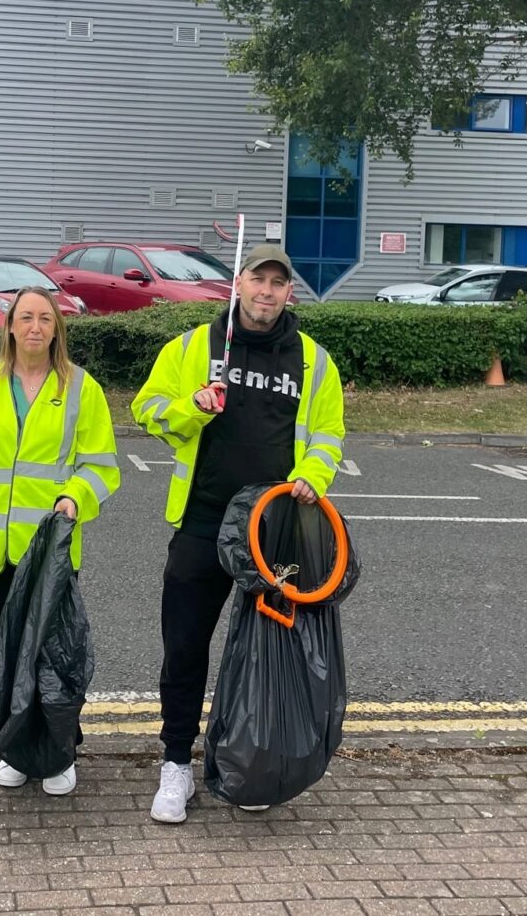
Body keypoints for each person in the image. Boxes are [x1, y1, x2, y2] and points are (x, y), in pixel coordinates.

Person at [132, 243, 345, 824]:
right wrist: (192, 406)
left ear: (288, 292)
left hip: (273, 535)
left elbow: (328, 434)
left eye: (278, 282)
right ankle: (176, 765)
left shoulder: (314, 360)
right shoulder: (195, 347)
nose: (267, 291)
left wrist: (311, 475)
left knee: (267, 655)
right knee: (183, 650)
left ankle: (254, 763)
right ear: (240, 285)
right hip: (202, 523)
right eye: (258, 279)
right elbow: (145, 410)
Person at [0, 287, 120, 797]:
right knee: (8, 653)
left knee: (51, 656)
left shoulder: (82, 389)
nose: (36, 327)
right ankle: (16, 748)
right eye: (27, 317)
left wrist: (75, 497)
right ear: (11, 327)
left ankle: (59, 751)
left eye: (46, 318)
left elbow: (101, 464)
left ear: (57, 329)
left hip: (51, 551)